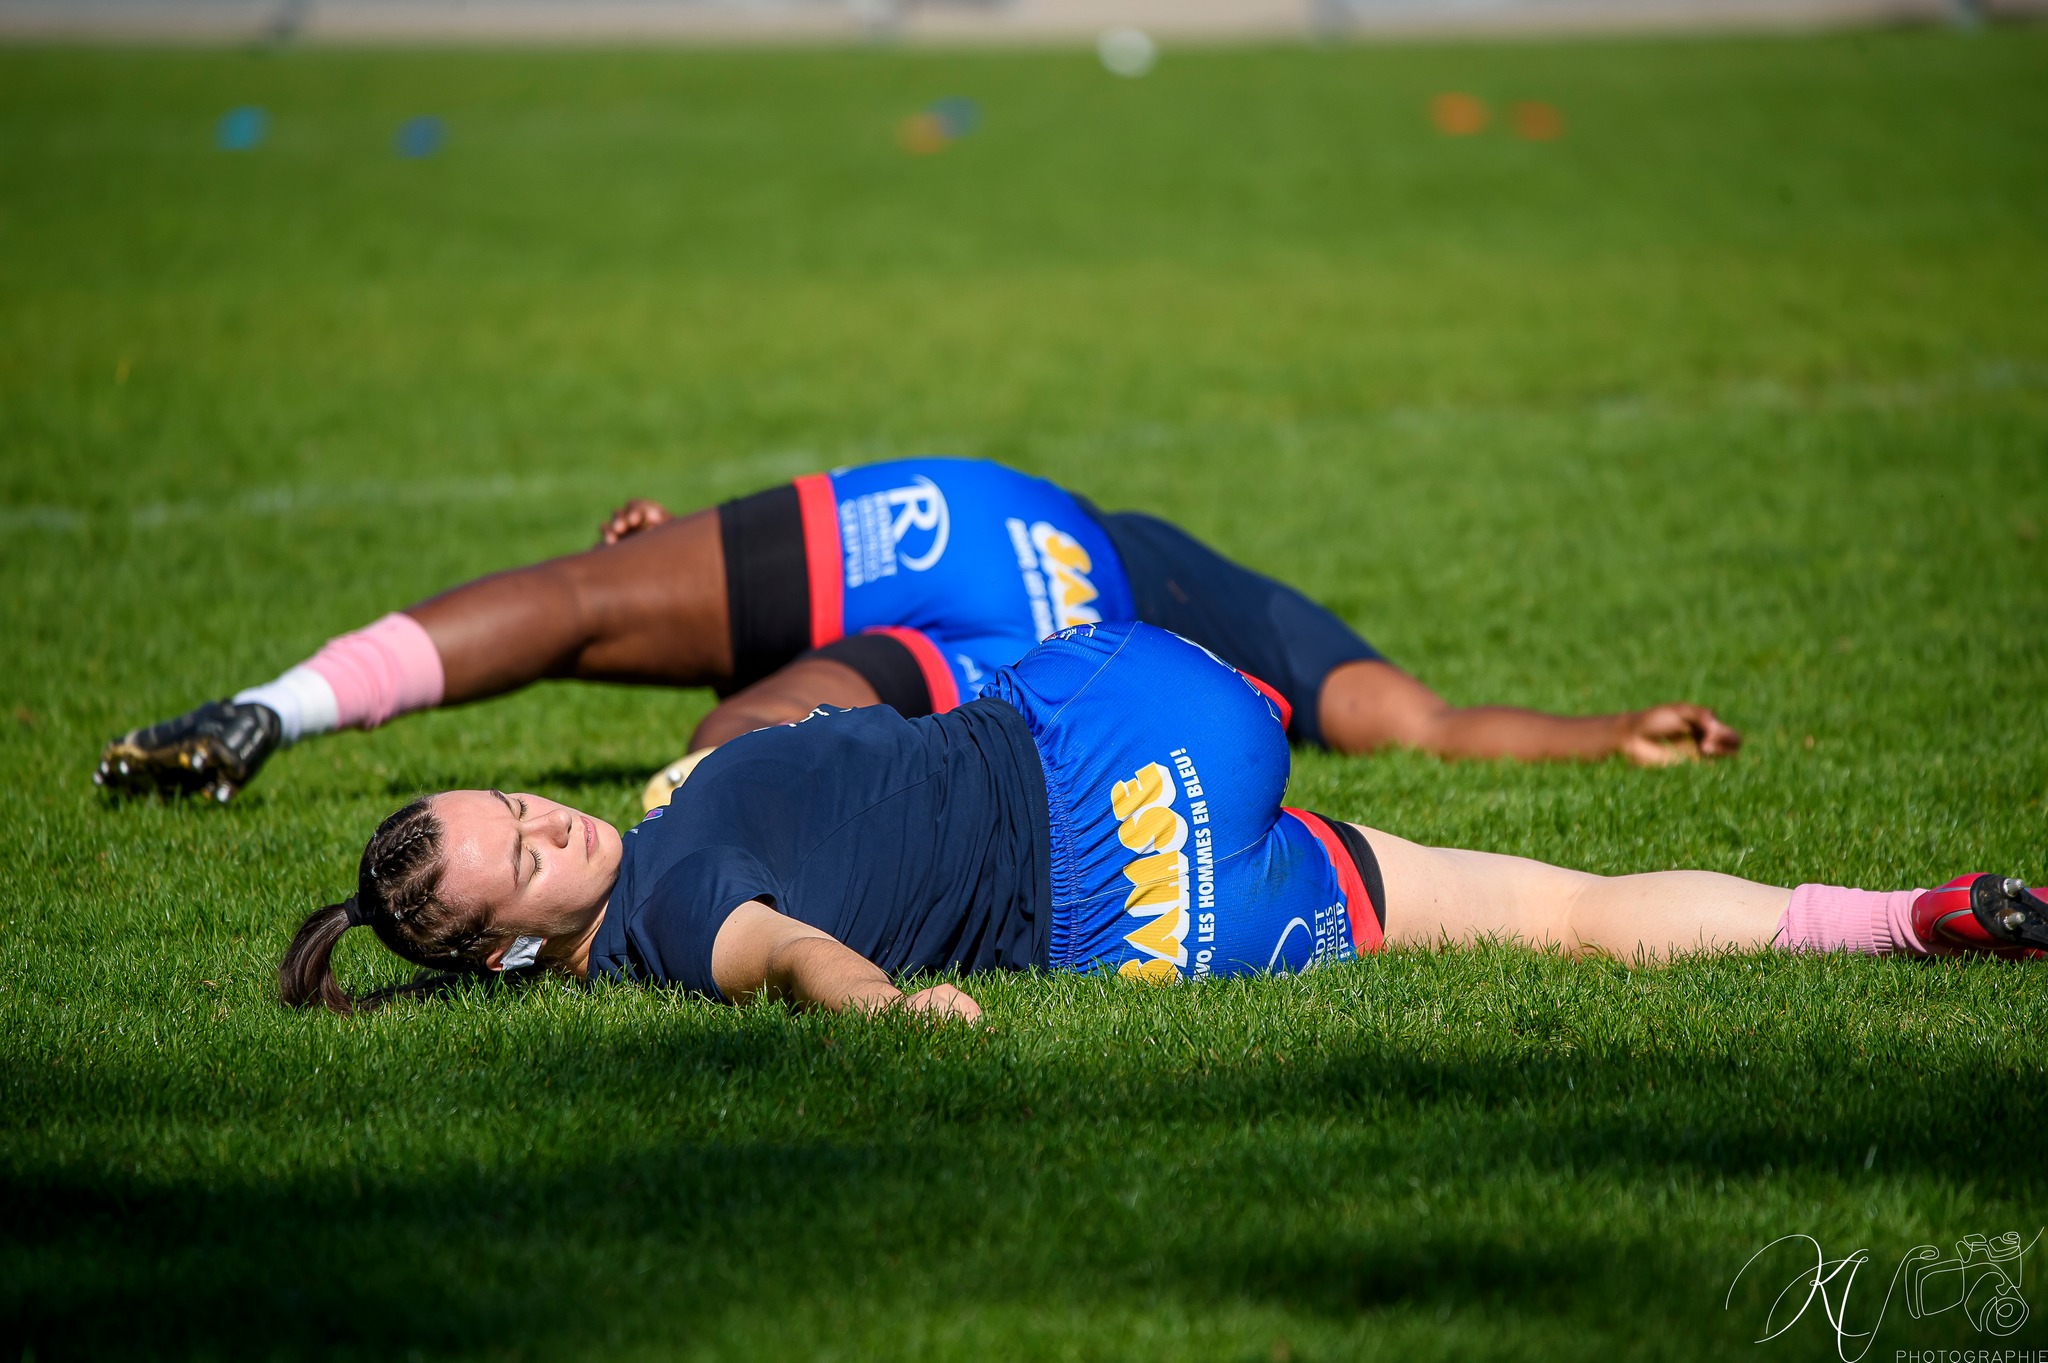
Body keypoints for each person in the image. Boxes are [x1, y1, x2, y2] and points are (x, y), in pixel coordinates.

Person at [279, 623, 2040, 1018]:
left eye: (524, 801)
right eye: (525, 851)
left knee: (1548, 915)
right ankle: (1900, 913)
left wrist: (898, 995)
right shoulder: (665, 916)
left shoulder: (643, 890)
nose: (550, 822)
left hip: (1148, 882)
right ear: (509, 936)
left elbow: (790, 918)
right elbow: (779, 950)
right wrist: (888, 1004)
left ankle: (1895, 919)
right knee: (1553, 908)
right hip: (1142, 729)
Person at [106, 458, 1739, 804]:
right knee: (723, 749)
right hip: (1031, 617)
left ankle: (274, 707)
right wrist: (1610, 732)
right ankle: (669, 843)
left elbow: (1415, 726)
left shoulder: (1102, 545)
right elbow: (1425, 727)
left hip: (980, 523)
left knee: (596, 596)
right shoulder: (1236, 616)